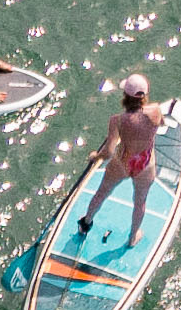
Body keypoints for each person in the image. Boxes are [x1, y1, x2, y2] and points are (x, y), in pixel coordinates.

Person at [73, 78, 170, 243]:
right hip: (145, 165)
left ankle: (85, 224)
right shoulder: (155, 111)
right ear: (145, 95)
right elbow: (160, 124)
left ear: (125, 95)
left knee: (101, 194)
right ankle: (133, 237)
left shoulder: (117, 120)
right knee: (140, 203)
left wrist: (96, 156)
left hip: (122, 163)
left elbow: (108, 152)